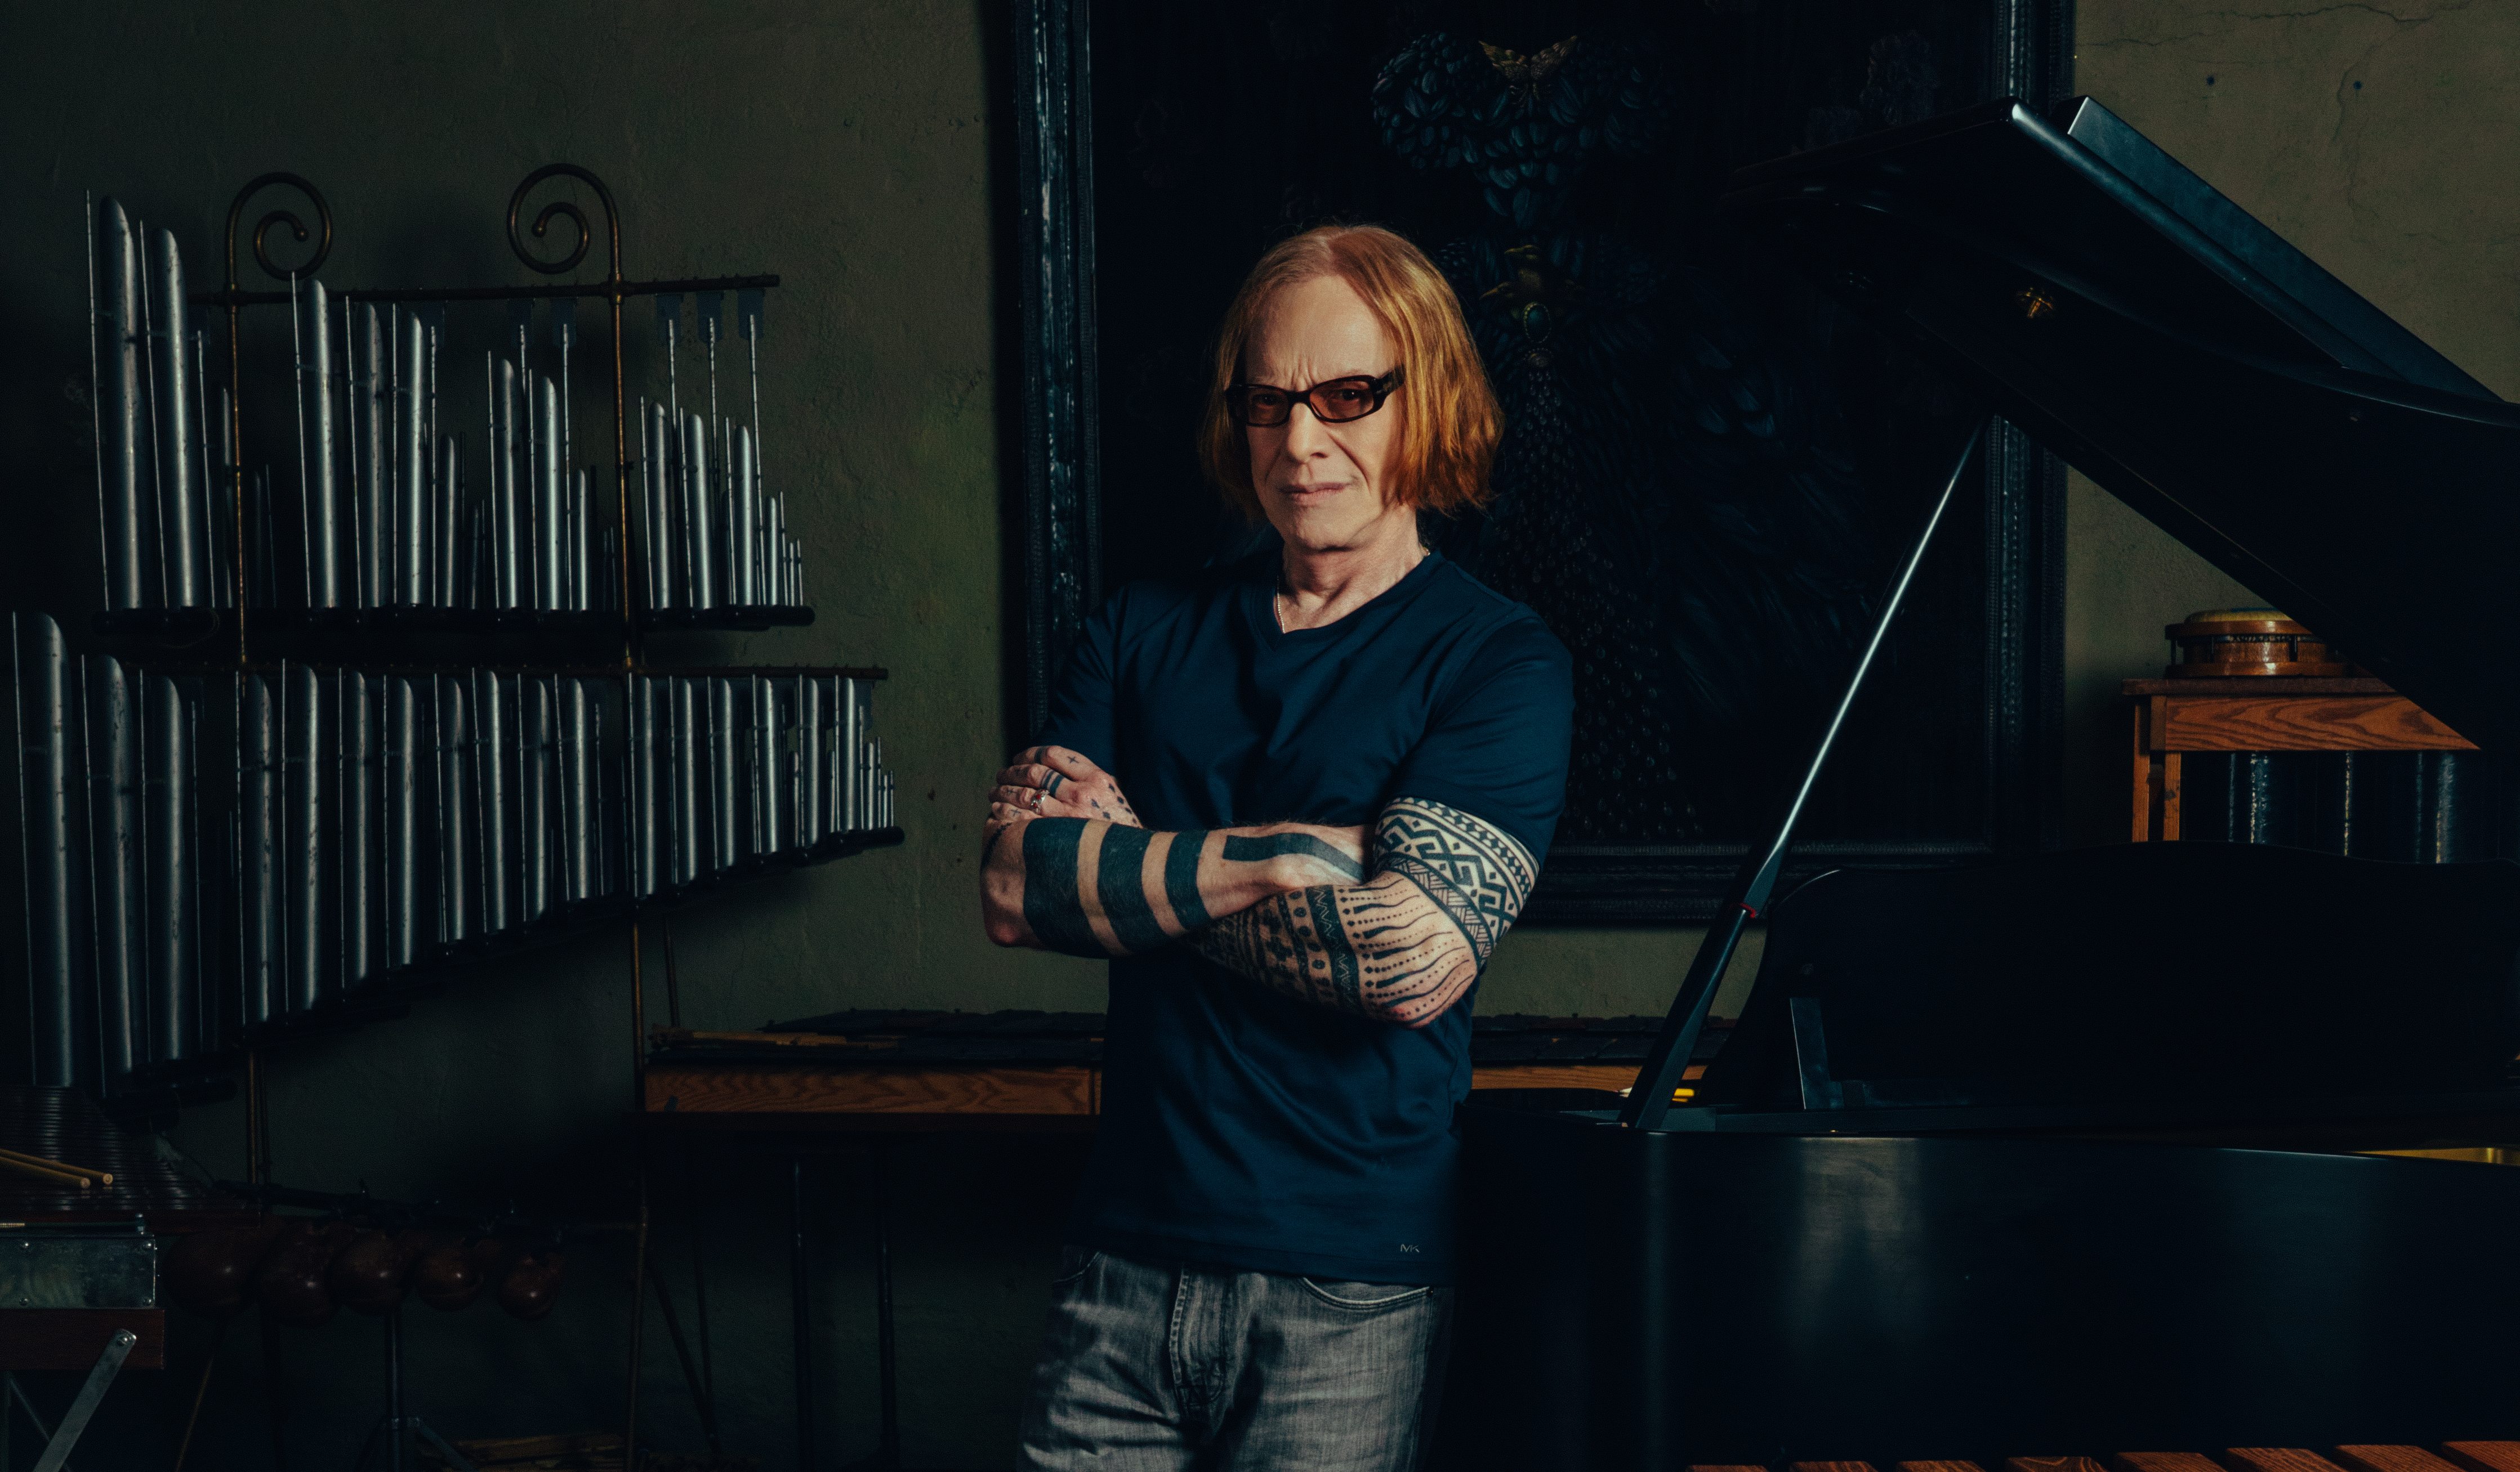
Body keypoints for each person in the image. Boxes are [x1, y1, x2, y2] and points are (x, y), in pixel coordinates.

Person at [982, 223, 1575, 1471]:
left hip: (1349, 1284)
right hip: (1121, 1259)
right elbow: (1016, 887)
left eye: (1347, 396)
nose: (1300, 441)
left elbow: (1402, 962)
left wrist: (1132, 860)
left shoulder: (1498, 661)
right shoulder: (1140, 629)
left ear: (1428, 396)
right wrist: (1281, 854)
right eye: (1269, 401)